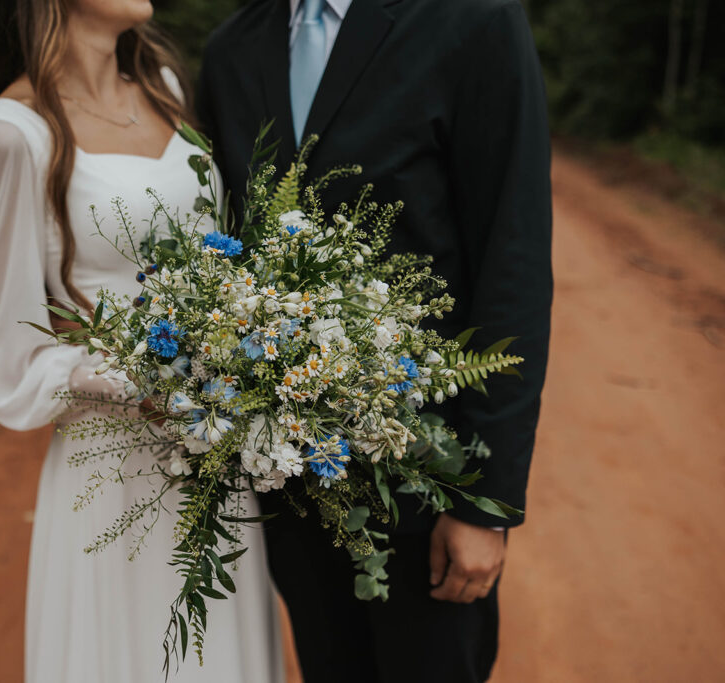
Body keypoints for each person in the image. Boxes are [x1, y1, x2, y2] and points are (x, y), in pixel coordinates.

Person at [197, 0, 553, 681]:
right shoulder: (230, 51)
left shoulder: (473, 20)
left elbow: (514, 258)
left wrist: (485, 501)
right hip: (291, 485)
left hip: (428, 487)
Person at [0, 1, 283, 681]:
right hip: (114, 471)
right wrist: (127, 379)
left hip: (217, 462)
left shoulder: (166, 90)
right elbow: (8, 354)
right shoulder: (9, 136)